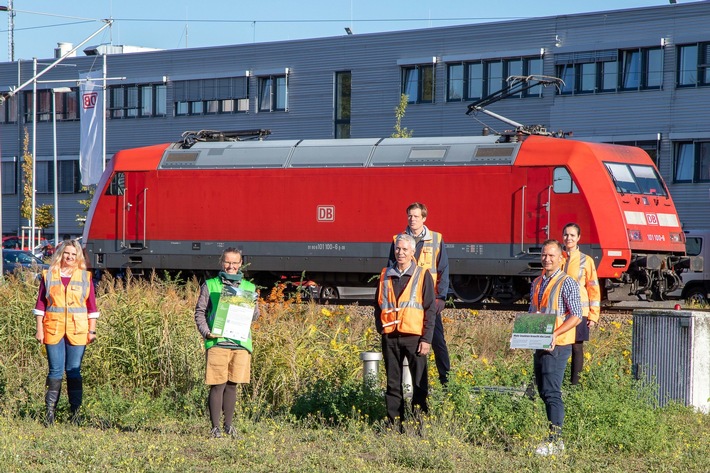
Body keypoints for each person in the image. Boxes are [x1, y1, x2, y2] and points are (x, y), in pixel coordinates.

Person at [194, 248, 259, 439]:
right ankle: (215, 428)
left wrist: (254, 305)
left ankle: (229, 426)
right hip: (218, 342)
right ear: (222, 262)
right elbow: (199, 313)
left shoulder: (249, 288)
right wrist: (207, 333)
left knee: (232, 385)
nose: (231, 266)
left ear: (241, 264)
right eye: (227, 262)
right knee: (217, 385)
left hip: (240, 343)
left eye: (235, 263)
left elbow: (254, 317)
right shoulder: (211, 285)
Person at [34, 239, 99, 426]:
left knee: (74, 371)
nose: (69, 257)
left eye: (73, 254)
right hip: (53, 328)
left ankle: (75, 415)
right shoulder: (49, 275)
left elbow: (91, 306)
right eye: (66, 253)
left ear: (77, 256)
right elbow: (40, 305)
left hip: (78, 330)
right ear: (60, 254)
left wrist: (92, 330)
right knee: (55, 371)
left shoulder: (85, 277)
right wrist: (39, 328)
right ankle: (49, 415)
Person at [376, 233, 436, 432]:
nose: (400, 253)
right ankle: (394, 424)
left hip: (415, 338)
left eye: (404, 250)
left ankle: (420, 426)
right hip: (390, 336)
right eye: (397, 249)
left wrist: (426, 339)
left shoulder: (422, 274)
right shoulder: (385, 274)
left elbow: (430, 309)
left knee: (419, 383)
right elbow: (377, 305)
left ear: (412, 252)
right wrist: (381, 329)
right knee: (393, 383)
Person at [388, 202, 451, 385]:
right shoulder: (398, 240)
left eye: (416, 216)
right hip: (407, 301)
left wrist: (441, 297)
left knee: (437, 341)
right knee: (408, 341)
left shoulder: (436, 239)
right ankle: (409, 383)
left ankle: (445, 380)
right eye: (409, 216)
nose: (412, 219)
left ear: (424, 218)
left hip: (429, 299)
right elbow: (391, 269)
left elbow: (443, 269)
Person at [529, 239, 582, 456]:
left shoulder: (567, 282)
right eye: (544, 255)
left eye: (551, 255)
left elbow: (576, 315)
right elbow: (534, 312)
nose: (547, 259)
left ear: (561, 258)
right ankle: (553, 436)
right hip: (540, 344)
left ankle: (556, 440)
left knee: (552, 392)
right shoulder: (537, 282)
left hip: (558, 345)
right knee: (543, 390)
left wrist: (556, 333)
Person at [562, 223, 601, 385]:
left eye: (572, 235)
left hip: (580, 311)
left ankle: (575, 385)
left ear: (578, 238)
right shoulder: (557, 257)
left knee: (577, 348)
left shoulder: (587, 261)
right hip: (560, 310)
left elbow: (593, 288)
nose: (568, 238)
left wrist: (593, 314)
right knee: (558, 345)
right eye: (566, 235)